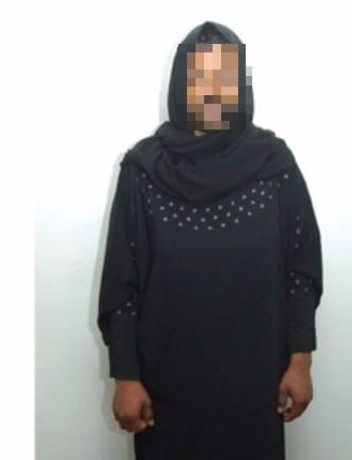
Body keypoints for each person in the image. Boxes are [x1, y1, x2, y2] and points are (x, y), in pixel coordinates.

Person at [97, 20, 324, 460]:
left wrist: (301, 362)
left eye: (224, 77)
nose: (212, 90)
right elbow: (122, 284)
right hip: (163, 389)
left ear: (240, 85)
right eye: (200, 76)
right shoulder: (143, 170)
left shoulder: (274, 165)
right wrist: (125, 376)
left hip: (256, 384)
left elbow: (302, 271)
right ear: (181, 85)